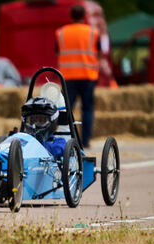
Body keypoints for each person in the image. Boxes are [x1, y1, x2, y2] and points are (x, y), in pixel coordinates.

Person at [56, 4, 101, 148]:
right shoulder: (93, 32)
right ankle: (86, 141)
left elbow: (58, 51)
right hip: (88, 76)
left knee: (66, 109)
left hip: (68, 77)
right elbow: (99, 52)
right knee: (87, 109)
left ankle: (67, 139)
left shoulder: (61, 33)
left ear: (71, 16)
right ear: (84, 16)